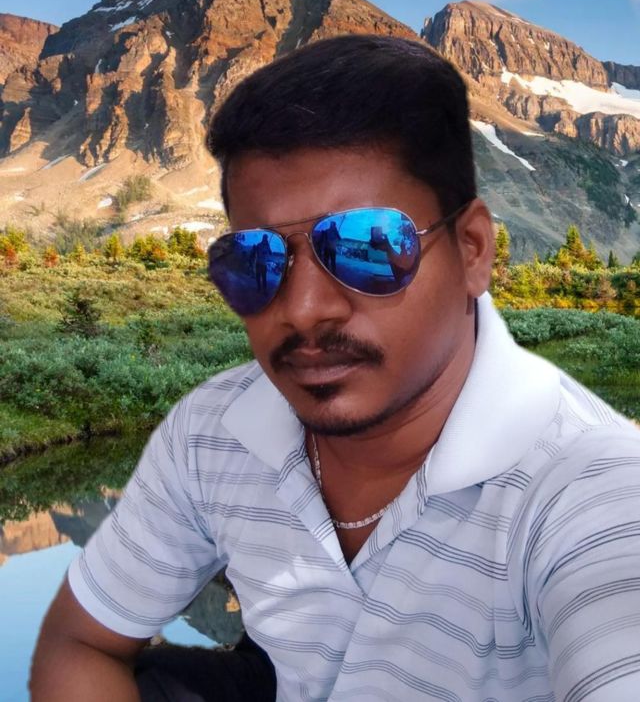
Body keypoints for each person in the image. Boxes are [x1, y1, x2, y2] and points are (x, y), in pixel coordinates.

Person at [31, 35, 640, 701]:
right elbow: (80, 641)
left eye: (365, 247)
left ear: (471, 250)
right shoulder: (212, 430)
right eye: (254, 262)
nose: (302, 309)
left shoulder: (596, 493)